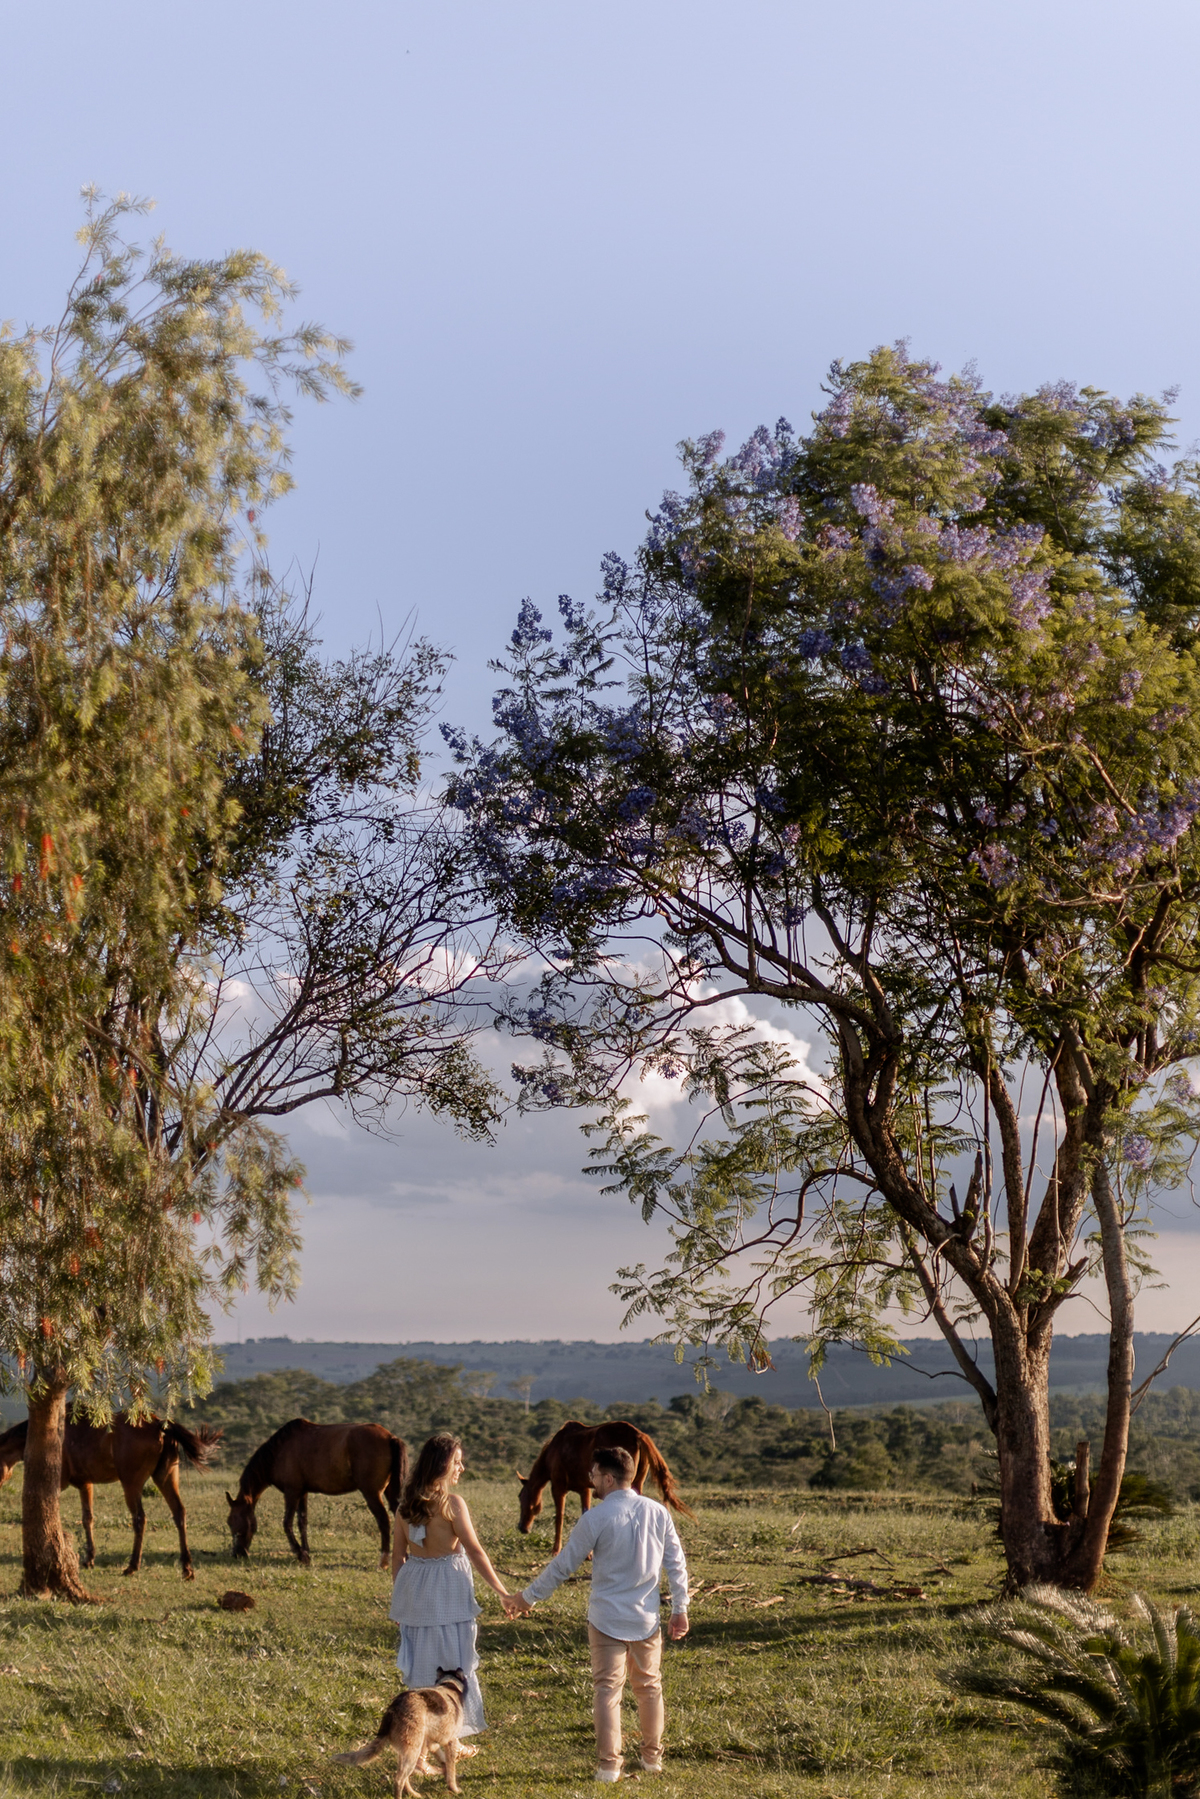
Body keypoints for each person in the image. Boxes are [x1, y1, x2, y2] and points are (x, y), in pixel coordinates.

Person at [503, 1445, 689, 1782]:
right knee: (649, 1688)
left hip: (605, 1619)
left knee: (607, 1690)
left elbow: (563, 1566)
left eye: (593, 1475)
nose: (590, 1481)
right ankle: (652, 1759)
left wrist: (527, 1597)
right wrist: (681, 1608)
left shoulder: (597, 1517)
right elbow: (676, 1562)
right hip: (646, 1618)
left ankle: (608, 1766)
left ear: (607, 1477)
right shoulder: (658, 1512)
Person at [390, 1433, 510, 1748]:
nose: (462, 1468)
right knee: (453, 1660)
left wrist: (401, 1604)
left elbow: (398, 1558)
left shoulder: (405, 1507)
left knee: (424, 1661)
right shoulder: (451, 1504)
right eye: (457, 1462)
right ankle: (449, 1738)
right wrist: (502, 1591)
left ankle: (428, 1737)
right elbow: (475, 1550)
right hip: (448, 1593)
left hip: (416, 1590)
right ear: (442, 1466)